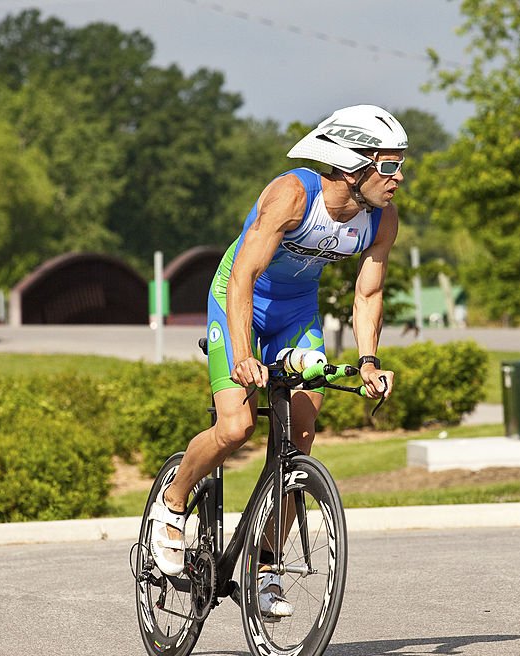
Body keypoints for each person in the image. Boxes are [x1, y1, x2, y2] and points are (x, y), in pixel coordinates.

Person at [148, 105, 404, 617]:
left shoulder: (381, 219)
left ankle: (264, 568)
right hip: (237, 300)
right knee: (237, 426)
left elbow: (368, 293)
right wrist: (243, 356)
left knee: (300, 435)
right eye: (389, 165)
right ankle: (172, 503)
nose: (398, 178)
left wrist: (369, 361)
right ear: (354, 165)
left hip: (296, 316)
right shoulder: (292, 194)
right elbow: (243, 276)